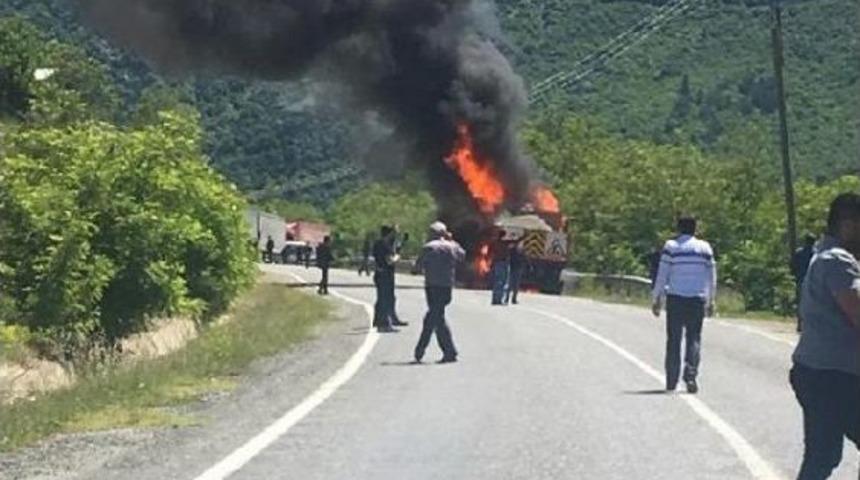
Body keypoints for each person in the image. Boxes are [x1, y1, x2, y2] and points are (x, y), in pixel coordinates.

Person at [790, 193, 860, 479]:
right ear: (848, 224)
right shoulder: (837, 261)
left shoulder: (824, 255)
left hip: (820, 372)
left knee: (822, 456)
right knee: (822, 456)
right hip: (834, 376)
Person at [651, 215, 717, 394]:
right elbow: (711, 277)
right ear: (695, 229)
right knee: (694, 338)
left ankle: (671, 380)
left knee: (674, 339)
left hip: (676, 298)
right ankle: (691, 373)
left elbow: (662, 274)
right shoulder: (705, 248)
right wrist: (711, 300)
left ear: (678, 229)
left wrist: (657, 298)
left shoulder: (671, 247)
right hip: (697, 298)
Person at [413, 222, 465, 363]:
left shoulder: (428, 248)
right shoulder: (453, 246)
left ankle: (444, 351)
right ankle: (424, 350)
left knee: (434, 317)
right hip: (447, 288)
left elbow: (416, 268)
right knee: (434, 317)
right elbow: (462, 257)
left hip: (432, 287)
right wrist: (451, 241)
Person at [372, 226, 407, 332]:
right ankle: (384, 324)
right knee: (385, 299)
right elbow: (389, 260)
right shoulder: (383, 245)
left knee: (385, 298)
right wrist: (397, 257)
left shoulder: (379, 244)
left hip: (381, 273)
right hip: (384, 274)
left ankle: (381, 320)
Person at [792, 234, 818, 332]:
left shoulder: (799, 252)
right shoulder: (816, 253)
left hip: (800, 280)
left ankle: (800, 323)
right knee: (813, 302)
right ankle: (811, 324)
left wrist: (796, 275)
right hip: (813, 281)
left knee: (800, 301)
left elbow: (793, 265)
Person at [490, 230, 511, 305]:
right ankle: (500, 299)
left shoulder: (495, 243)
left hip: (497, 262)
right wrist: (524, 235)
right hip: (503, 262)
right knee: (503, 281)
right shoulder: (505, 243)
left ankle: (495, 299)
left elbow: (490, 252)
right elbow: (516, 241)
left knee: (497, 281)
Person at [505, 240, 526, 305]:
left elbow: (524, 259)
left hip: (518, 269)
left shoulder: (522, 251)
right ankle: (506, 298)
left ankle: (514, 299)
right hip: (512, 268)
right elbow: (509, 257)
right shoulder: (513, 250)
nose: (521, 245)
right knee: (510, 284)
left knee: (516, 285)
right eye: (520, 243)